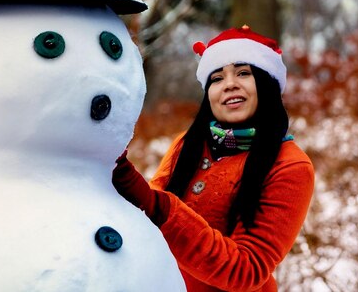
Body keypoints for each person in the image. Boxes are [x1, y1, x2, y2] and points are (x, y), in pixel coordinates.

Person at [113, 25, 314, 292]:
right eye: (217, 78)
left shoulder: (290, 165)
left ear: (267, 85)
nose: (229, 84)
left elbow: (246, 269)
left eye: (243, 73)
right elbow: (147, 216)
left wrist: (157, 206)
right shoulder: (189, 143)